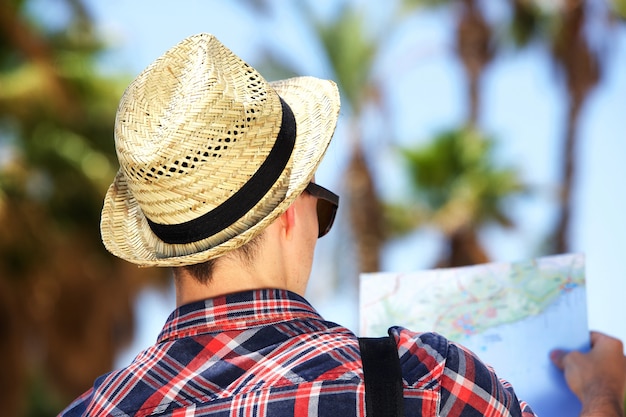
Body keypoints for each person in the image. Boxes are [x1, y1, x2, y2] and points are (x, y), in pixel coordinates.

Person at [60, 33, 626, 416]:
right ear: (290, 211)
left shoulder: (89, 410)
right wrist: (604, 392)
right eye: (320, 202)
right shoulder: (420, 378)